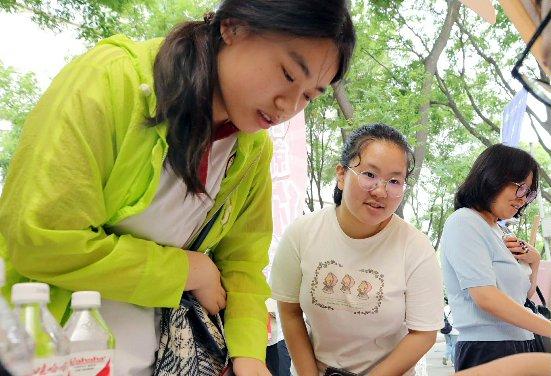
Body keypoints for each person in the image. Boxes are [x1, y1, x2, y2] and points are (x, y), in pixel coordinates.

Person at [0, 1, 356, 375]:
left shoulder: (251, 150)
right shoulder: (111, 82)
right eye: (286, 74)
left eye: (309, 96)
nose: (287, 105)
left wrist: (249, 357)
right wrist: (184, 270)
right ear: (233, 28)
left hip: (162, 358)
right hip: (50, 352)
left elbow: (244, 265)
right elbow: (38, 238)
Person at [270, 124, 444, 376]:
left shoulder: (415, 247)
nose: (381, 191)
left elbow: (424, 333)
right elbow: (289, 310)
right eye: (369, 175)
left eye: (395, 181)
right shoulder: (302, 233)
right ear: (342, 174)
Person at [440, 144, 551, 372]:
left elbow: (523, 296)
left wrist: (535, 262)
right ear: (492, 177)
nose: (523, 200)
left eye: (529, 193)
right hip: (488, 348)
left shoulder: (502, 231)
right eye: (521, 188)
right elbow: (486, 297)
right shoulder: (464, 221)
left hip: (524, 343)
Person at [442, 302, 460, 367]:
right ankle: (453, 362)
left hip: (446, 328)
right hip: (455, 330)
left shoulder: (445, 308)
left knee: (448, 344)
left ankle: (445, 356)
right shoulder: (456, 308)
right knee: (454, 346)